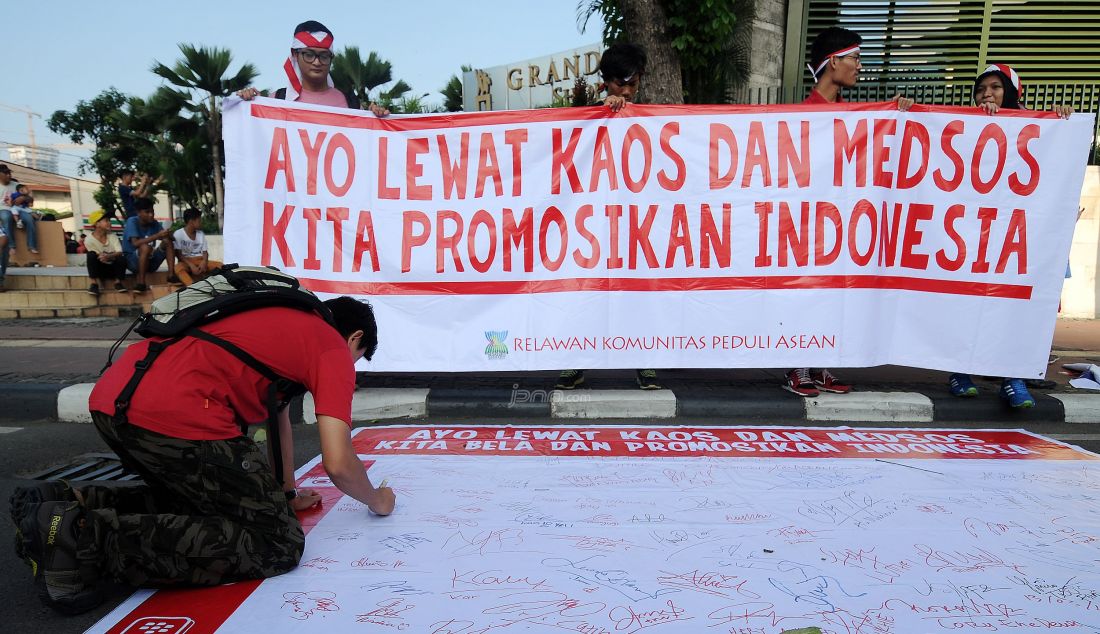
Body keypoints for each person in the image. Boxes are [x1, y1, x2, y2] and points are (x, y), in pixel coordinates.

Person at [10, 295, 395, 614]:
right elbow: (339, 464)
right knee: (276, 543)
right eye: (357, 358)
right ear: (354, 337)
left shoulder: (278, 319)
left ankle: (62, 502)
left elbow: (279, 422)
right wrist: (377, 499)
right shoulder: (330, 345)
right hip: (179, 412)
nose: (351, 370)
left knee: (199, 498)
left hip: (113, 399)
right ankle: (80, 538)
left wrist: (284, 496)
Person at [781, 26, 914, 398]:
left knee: (833, 293)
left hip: (842, 223)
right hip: (808, 221)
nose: (859, 66)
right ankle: (797, 366)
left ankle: (819, 365)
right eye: (854, 58)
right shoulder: (805, 114)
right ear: (833, 61)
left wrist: (897, 115)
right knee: (807, 291)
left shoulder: (855, 116)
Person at [947, 64, 1074, 409]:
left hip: (1020, 235)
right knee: (969, 302)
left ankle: (1013, 378)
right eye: (981, 89)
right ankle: (960, 372)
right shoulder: (967, 126)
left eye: (995, 88)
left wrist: (1063, 122)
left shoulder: (1040, 129)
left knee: (1014, 308)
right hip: (977, 234)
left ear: (1013, 92)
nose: (986, 94)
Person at [555, 43, 661, 391]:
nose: (627, 91)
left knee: (639, 294)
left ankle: (644, 363)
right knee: (583, 293)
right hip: (592, 224)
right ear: (605, 83)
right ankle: (574, 361)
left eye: (633, 83)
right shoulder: (586, 116)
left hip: (635, 223)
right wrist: (602, 113)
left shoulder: (651, 117)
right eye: (619, 83)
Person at [237, 20, 388, 116]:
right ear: (295, 55)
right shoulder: (276, 100)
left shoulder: (351, 104)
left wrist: (377, 119)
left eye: (324, 56)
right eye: (309, 54)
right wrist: (245, 103)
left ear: (331, 59)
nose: (317, 62)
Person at [122, 197, 176, 293]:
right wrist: (157, 235)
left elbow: (169, 239)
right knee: (145, 247)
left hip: (150, 261)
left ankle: (171, 276)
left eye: (152, 212)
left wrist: (168, 234)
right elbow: (135, 243)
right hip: (133, 262)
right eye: (147, 212)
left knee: (168, 241)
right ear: (139, 213)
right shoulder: (132, 221)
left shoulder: (154, 223)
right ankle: (141, 283)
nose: (151, 215)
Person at [172, 207, 222, 285]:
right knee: (178, 268)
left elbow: (205, 252)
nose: (201, 222)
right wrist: (191, 265)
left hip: (200, 260)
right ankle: (191, 285)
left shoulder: (200, 234)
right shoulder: (178, 234)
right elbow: (179, 255)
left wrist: (204, 262)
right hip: (186, 261)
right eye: (199, 220)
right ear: (191, 221)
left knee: (221, 266)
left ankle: (213, 283)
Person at [83, 210, 128, 296]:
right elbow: (97, 256)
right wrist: (107, 256)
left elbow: (119, 252)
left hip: (113, 269)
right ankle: (94, 284)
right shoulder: (89, 240)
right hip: (100, 269)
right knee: (91, 255)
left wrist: (109, 256)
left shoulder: (113, 236)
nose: (109, 223)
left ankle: (118, 282)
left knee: (122, 258)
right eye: (106, 221)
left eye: (109, 220)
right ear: (97, 224)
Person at [0, 164, 19, 290]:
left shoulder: (15, 185)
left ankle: (0, 280)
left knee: (3, 246)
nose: (9, 175)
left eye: (9, 173)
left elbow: (28, 196)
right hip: (4, 212)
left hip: (11, 210)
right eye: (5, 173)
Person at [10, 184, 39, 254]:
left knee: (32, 217)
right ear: (21, 190)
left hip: (24, 209)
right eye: (27, 189)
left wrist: (30, 195)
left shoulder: (27, 195)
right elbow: (14, 202)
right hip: (16, 208)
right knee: (14, 213)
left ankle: (32, 246)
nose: (28, 190)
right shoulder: (16, 194)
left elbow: (30, 205)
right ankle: (18, 222)